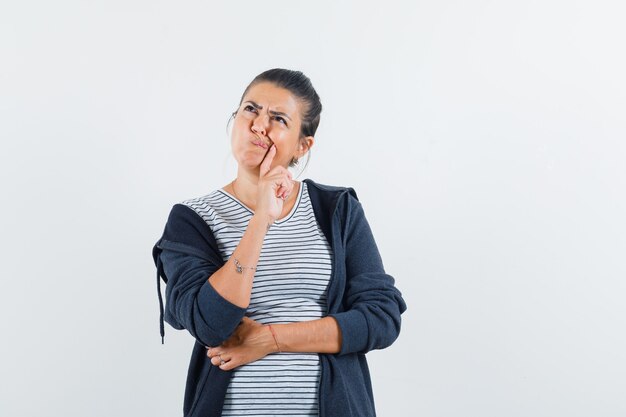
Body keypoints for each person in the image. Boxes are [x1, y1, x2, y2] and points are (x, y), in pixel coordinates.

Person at [152, 68, 407, 417]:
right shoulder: (193, 218)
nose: (259, 125)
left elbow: (381, 317)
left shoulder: (336, 210)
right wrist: (260, 219)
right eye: (250, 109)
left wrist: (271, 339)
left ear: (303, 145)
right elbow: (210, 323)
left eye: (278, 118)